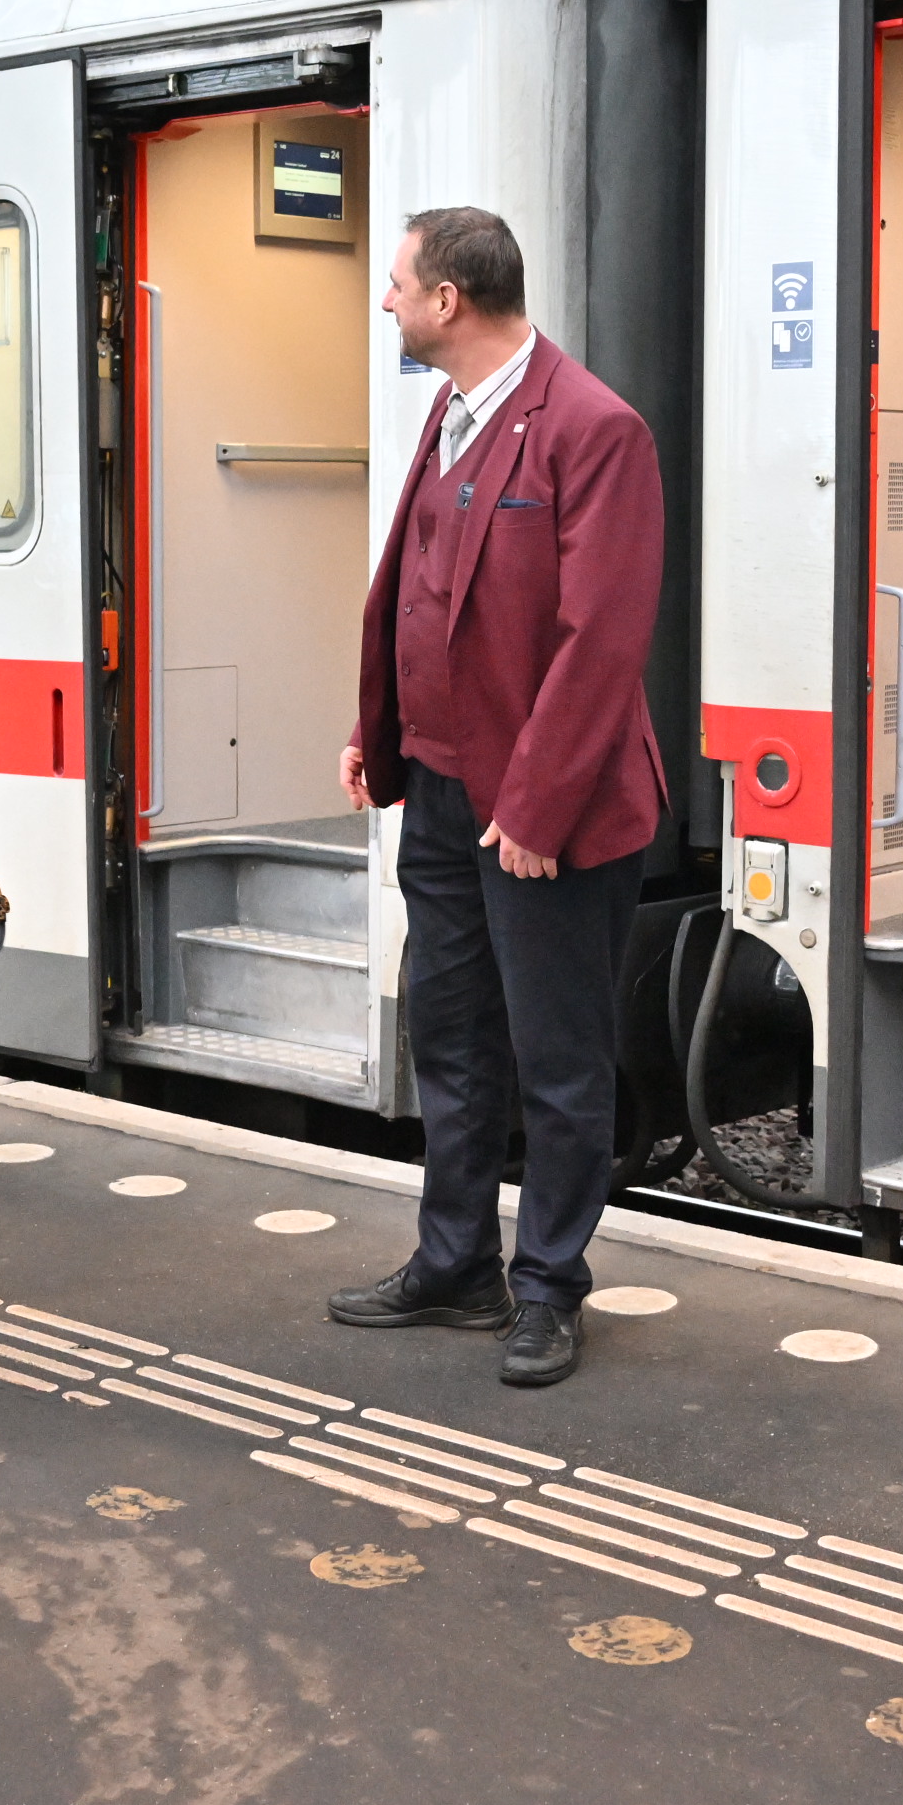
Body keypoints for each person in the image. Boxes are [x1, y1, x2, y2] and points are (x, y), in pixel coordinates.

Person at [330, 206, 667, 1389]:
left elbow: (601, 640)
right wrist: (379, 734)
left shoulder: (594, 428)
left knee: (558, 1057)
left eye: (396, 285)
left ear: (449, 302)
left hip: (546, 811)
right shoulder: (451, 410)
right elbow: (419, 594)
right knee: (454, 1034)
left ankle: (550, 1285)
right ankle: (457, 1258)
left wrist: (532, 807)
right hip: (441, 790)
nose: (387, 304)